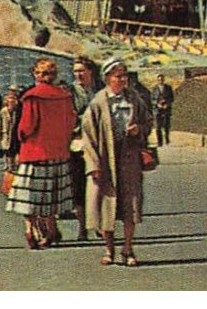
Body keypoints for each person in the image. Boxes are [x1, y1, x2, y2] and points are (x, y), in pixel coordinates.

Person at [83, 58, 153, 267]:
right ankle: (109, 248)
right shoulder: (97, 103)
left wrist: (139, 129)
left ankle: (128, 249)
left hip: (129, 159)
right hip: (106, 160)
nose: (123, 80)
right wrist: (93, 165)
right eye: (118, 76)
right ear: (107, 78)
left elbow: (148, 121)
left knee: (130, 205)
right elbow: (88, 136)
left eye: (125, 75)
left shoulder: (134, 99)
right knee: (106, 206)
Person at [6, 58, 77, 249]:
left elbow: (26, 127)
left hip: (34, 152)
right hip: (58, 153)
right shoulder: (65, 96)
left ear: (37, 74)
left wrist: (19, 141)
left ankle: (30, 229)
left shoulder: (32, 97)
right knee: (52, 195)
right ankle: (52, 229)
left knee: (28, 196)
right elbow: (71, 122)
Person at [69, 56, 101, 240]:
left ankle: (98, 223)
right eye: (76, 71)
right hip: (77, 144)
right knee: (79, 186)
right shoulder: (70, 92)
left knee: (99, 185)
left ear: (90, 72)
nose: (78, 74)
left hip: (98, 143)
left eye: (81, 70)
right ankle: (82, 226)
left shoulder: (100, 91)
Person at [152, 73, 174, 146]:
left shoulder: (168, 88)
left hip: (166, 109)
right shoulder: (154, 89)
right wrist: (157, 104)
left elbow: (172, 98)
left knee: (166, 125)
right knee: (158, 126)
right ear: (157, 81)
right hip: (157, 110)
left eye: (161, 80)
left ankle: (167, 140)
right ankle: (159, 142)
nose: (160, 81)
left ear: (163, 80)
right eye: (159, 80)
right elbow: (152, 99)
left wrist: (167, 104)